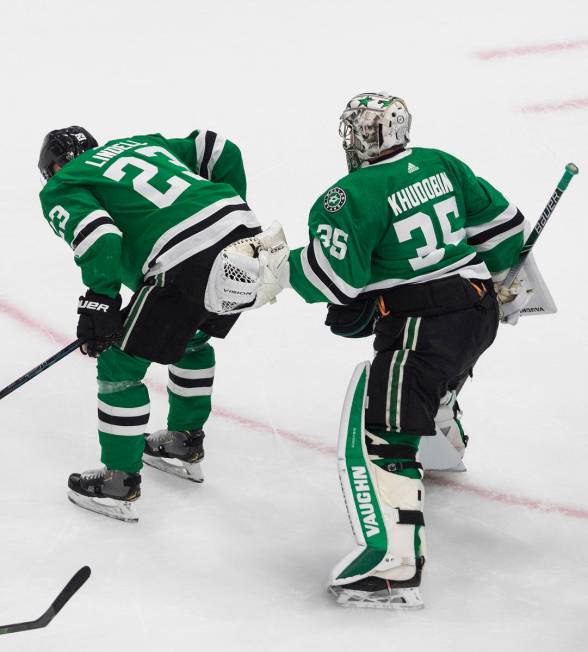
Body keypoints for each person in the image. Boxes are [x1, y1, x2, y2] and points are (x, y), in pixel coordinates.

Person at [263, 92, 530, 608]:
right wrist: (507, 279)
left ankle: (393, 567)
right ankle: (445, 446)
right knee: (442, 378)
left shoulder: (349, 195)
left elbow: (338, 283)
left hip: (418, 325)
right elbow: (503, 227)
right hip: (477, 312)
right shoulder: (440, 163)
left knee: (385, 432)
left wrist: (279, 265)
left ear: (365, 136)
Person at [38, 126, 284, 522]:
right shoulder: (138, 143)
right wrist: (230, 212)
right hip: (247, 244)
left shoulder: (63, 183)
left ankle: (118, 480)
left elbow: (99, 237)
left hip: (185, 260)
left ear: (53, 166)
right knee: (190, 338)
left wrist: (100, 301)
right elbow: (217, 147)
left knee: (120, 366)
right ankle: (182, 441)